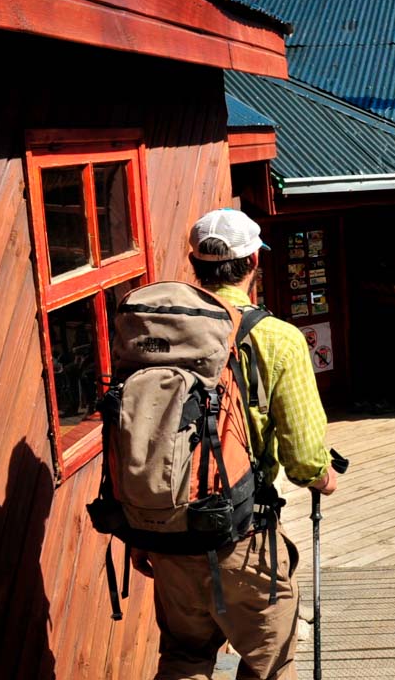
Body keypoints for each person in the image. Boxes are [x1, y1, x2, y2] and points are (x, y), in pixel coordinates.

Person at [133, 208, 339, 680]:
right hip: (242, 536)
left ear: (195, 264)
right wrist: (322, 478)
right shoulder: (278, 339)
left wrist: (141, 530)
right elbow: (305, 457)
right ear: (252, 262)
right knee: (271, 657)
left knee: (185, 657)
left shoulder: (158, 333)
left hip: (164, 530)